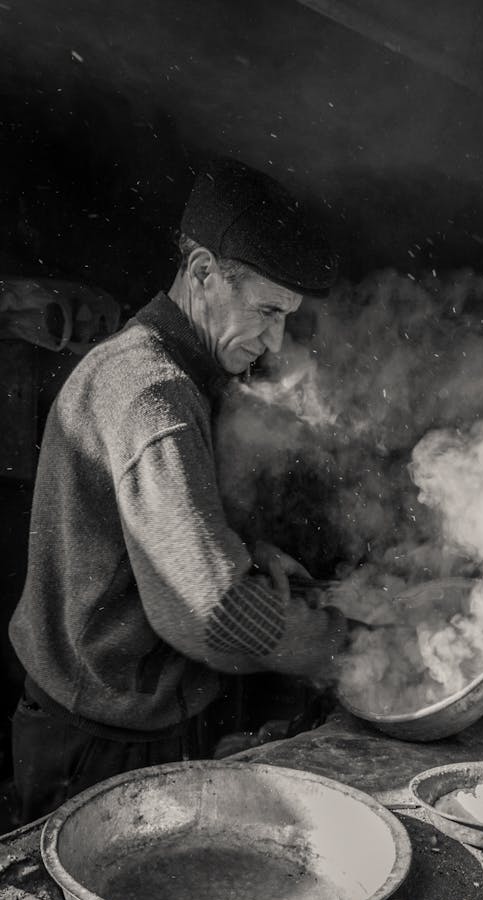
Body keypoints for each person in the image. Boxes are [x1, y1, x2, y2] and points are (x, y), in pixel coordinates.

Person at [8, 158, 350, 823]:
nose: (276, 339)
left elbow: (138, 537)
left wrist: (243, 548)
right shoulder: (152, 391)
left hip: (110, 728)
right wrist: (344, 644)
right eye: (268, 311)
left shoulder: (154, 369)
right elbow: (211, 611)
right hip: (103, 751)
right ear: (201, 273)